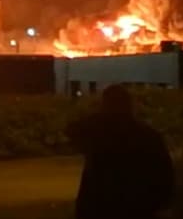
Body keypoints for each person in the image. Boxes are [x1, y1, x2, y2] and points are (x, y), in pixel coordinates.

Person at [67, 84, 174, 219]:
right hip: (138, 207)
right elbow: (164, 173)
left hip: (100, 206)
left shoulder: (97, 134)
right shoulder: (147, 136)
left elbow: (73, 130)